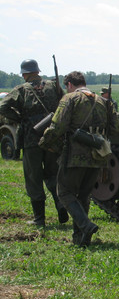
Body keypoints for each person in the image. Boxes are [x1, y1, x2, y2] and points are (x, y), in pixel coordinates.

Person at [39, 71, 119, 246]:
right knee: (83, 196)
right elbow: (116, 129)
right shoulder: (104, 101)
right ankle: (80, 238)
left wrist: (44, 142)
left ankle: (86, 225)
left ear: (69, 85)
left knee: (64, 192)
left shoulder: (70, 99)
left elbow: (57, 126)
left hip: (74, 155)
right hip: (97, 155)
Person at [0, 59, 67, 227]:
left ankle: (39, 219)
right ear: (37, 71)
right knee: (53, 174)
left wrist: (20, 118)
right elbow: (64, 104)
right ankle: (61, 205)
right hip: (52, 138)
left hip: (31, 140)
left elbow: (2, 106)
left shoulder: (21, 90)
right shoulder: (53, 86)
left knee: (33, 178)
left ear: (24, 74)